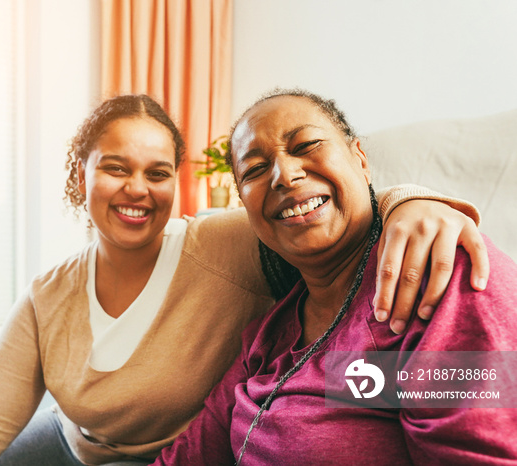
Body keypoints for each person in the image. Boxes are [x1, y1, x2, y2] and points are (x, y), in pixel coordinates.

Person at [0, 94, 489, 466]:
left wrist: (415, 203)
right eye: (115, 168)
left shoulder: (221, 241)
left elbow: (322, 211)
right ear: (77, 176)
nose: (138, 188)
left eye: (157, 172)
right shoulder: (49, 294)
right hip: (75, 445)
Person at [152, 89, 517, 465]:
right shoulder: (269, 335)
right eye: (256, 169)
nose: (285, 175)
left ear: (360, 159)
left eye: (306, 144)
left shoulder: (443, 275)